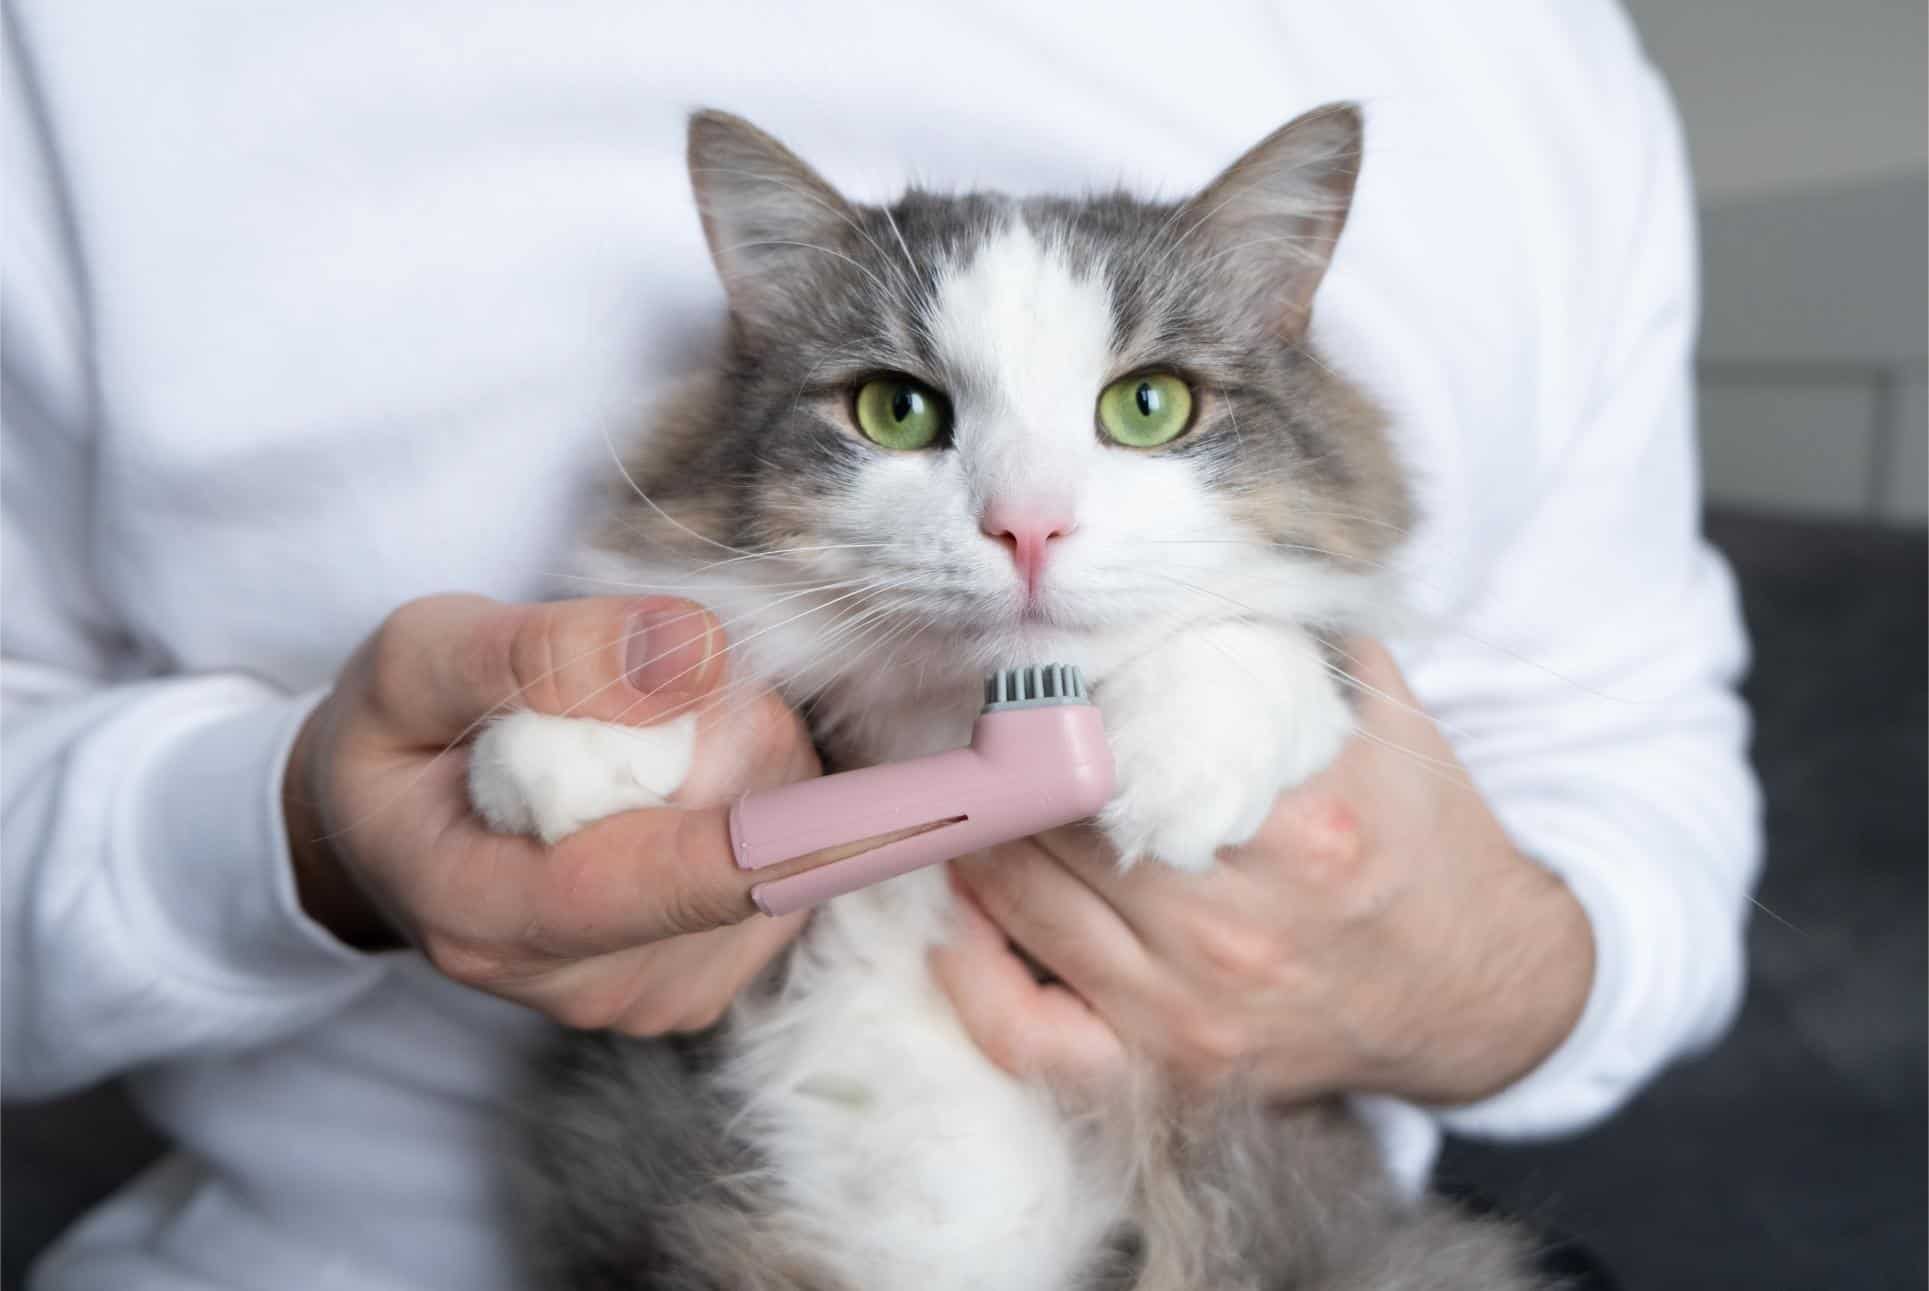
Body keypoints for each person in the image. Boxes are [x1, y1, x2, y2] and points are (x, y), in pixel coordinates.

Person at [1, 3, 1760, 1288]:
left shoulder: (1527, 61)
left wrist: (1481, 974)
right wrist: (300, 835)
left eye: (1145, 405)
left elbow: (1638, 773)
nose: (1026, 514)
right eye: (904, 406)